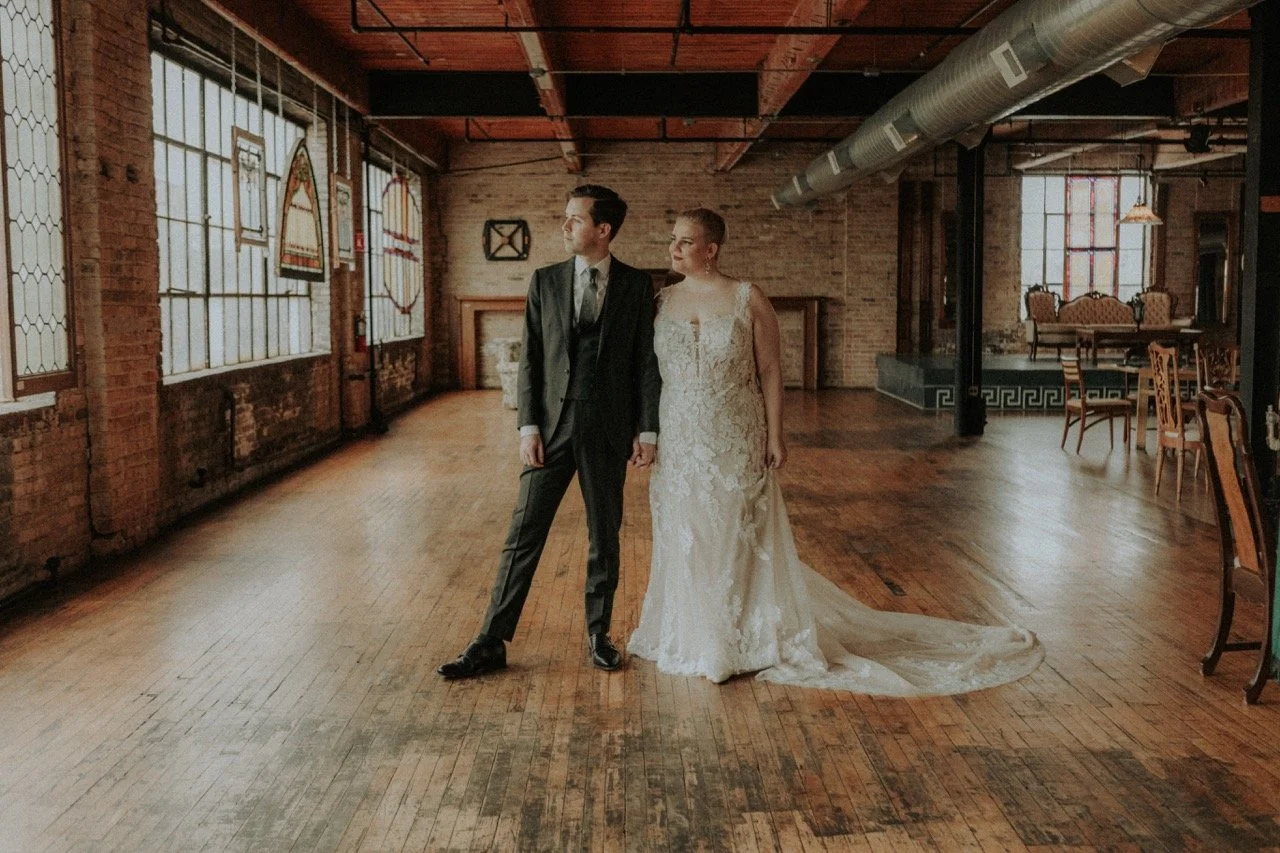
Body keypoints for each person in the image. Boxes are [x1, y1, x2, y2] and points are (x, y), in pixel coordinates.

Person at [627, 208, 1043, 694]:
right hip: (680, 434)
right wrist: (647, 431)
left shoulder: (747, 298)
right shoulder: (660, 302)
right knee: (687, 532)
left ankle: (733, 642)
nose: (673, 249)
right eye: (672, 240)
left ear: (711, 249)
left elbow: (769, 372)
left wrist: (775, 435)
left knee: (732, 532)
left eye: (684, 241)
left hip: (735, 433)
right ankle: (691, 634)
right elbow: (647, 374)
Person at [438, 185, 662, 679]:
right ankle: (491, 639)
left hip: (607, 430)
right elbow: (531, 358)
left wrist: (648, 430)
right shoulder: (545, 280)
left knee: (605, 534)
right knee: (523, 533)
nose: (564, 227)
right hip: (551, 429)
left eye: (574, 219)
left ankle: (598, 634)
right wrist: (528, 425)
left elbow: (646, 360)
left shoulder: (635, 285)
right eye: (565, 218)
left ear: (603, 230)